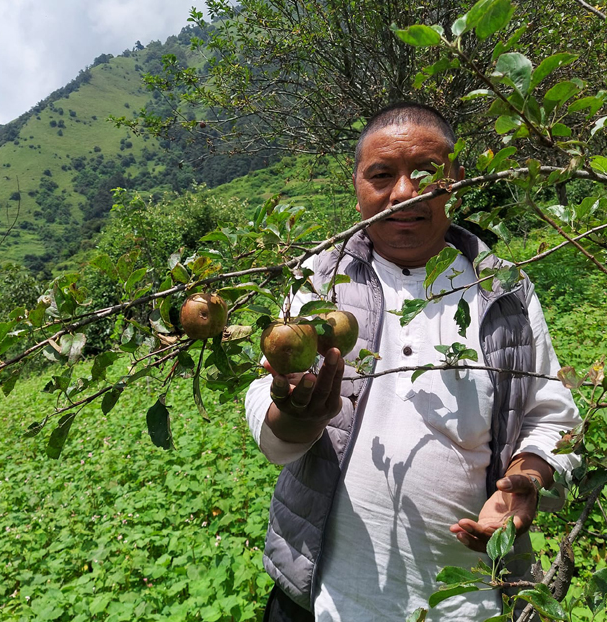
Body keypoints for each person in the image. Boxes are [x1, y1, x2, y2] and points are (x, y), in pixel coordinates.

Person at [245, 102, 581, 621]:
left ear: (457, 180)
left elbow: (550, 413)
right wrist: (295, 414)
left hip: (468, 605)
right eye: (382, 175)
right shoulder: (318, 279)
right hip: (320, 599)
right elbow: (265, 399)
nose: (404, 192)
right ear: (358, 186)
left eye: (425, 173)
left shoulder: (504, 288)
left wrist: (528, 478)